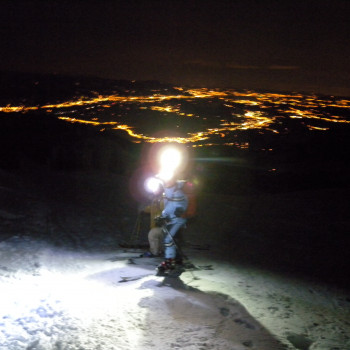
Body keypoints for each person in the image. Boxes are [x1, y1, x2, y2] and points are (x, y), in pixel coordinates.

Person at [156, 178, 188, 275]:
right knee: (172, 241)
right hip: (171, 220)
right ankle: (175, 261)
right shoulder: (167, 193)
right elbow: (168, 207)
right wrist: (162, 216)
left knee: (168, 240)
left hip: (177, 220)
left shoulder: (177, 192)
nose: (166, 183)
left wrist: (180, 209)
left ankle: (171, 261)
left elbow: (182, 202)